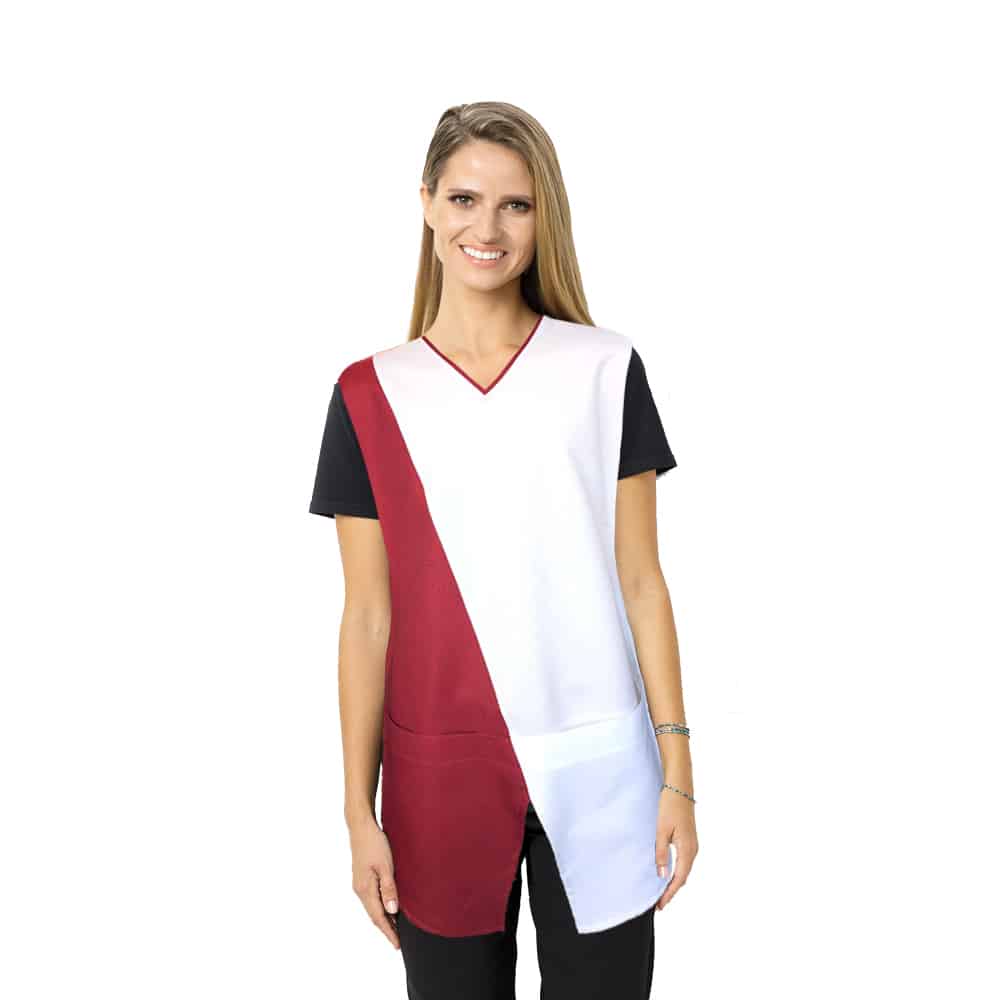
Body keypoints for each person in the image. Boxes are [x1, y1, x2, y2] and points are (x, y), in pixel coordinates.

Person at [308, 101, 698, 1000]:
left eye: (515, 205)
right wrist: (357, 812)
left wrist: (678, 769)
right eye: (464, 200)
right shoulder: (368, 395)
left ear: (543, 216)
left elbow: (642, 580)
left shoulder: (605, 370)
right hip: (436, 778)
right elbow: (368, 618)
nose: (487, 228)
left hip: (600, 765)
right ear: (426, 204)